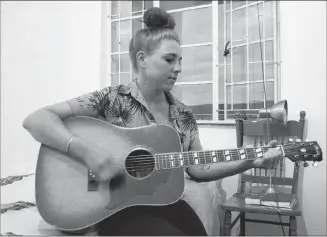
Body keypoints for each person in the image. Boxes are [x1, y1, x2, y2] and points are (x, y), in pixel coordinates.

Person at [23, 7, 282, 236]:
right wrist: (86, 151)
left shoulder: (182, 115)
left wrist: (249, 161)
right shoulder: (111, 99)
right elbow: (36, 120)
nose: (178, 67)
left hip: (162, 201)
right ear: (142, 59)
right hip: (114, 207)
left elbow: (198, 169)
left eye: (180, 60)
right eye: (169, 59)